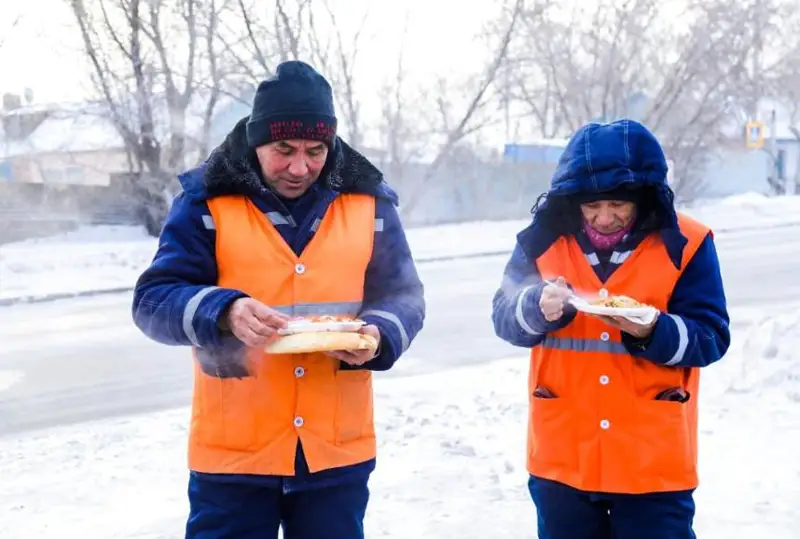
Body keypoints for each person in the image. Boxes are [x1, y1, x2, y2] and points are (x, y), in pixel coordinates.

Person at [132, 60, 426, 539]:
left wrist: (378, 333)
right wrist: (222, 310)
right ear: (256, 140)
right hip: (233, 455)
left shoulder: (370, 203)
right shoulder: (207, 201)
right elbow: (152, 300)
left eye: (315, 150)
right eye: (283, 149)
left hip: (334, 452)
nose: (300, 166)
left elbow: (404, 296)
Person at [491, 119, 730, 539]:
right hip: (563, 460)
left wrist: (652, 329)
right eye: (592, 206)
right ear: (573, 200)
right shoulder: (542, 242)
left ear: (643, 198)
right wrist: (536, 308)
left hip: (652, 466)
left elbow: (711, 336)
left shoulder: (688, 244)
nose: (604, 218)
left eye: (618, 205)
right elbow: (504, 316)